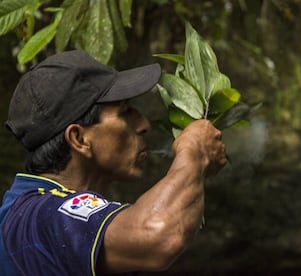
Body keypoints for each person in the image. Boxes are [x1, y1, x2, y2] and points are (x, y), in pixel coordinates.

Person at [0, 50, 227, 275]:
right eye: (125, 112)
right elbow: (158, 233)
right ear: (79, 139)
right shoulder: (43, 214)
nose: (143, 124)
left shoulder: (30, 214)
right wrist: (195, 152)